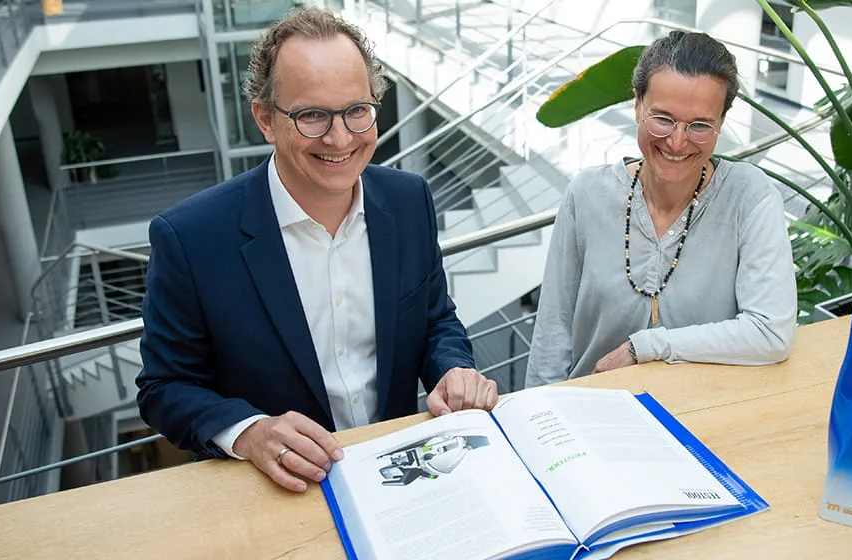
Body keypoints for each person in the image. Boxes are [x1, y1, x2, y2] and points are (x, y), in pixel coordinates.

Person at [136, 8, 498, 493]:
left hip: (396, 476)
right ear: (264, 118)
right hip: (279, 489)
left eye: (356, 110)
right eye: (311, 115)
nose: (340, 137)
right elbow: (165, 387)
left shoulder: (410, 201)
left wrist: (453, 368)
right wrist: (249, 432)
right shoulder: (190, 237)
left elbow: (435, 319)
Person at [525, 31, 797, 387]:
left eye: (700, 125)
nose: (677, 141)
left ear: (721, 123)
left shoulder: (749, 196)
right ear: (637, 104)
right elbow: (552, 332)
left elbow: (770, 332)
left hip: (703, 415)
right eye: (663, 119)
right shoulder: (587, 194)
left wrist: (648, 346)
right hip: (590, 413)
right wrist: (540, 414)